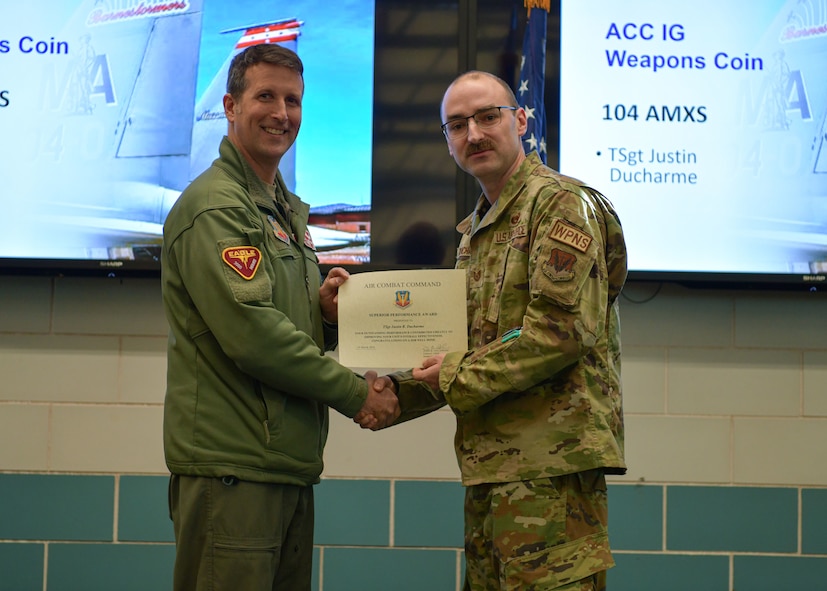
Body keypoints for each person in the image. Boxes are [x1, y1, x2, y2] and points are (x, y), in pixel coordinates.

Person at [357, 70, 628, 590]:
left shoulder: (560, 204)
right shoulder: (477, 231)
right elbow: (464, 350)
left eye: (487, 117)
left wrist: (452, 375)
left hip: (550, 472)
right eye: (457, 125)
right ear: (449, 142)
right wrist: (392, 394)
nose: (474, 134)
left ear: (521, 120)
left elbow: (559, 331)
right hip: (492, 470)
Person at [161, 44, 399, 591]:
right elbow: (254, 337)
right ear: (230, 105)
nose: (281, 113)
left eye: (293, 100)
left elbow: (282, 321)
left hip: (281, 464)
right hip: (235, 469)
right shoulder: (217, 207)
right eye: (265, 96)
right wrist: (357, 393)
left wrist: (329, 315)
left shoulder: (281, 210)